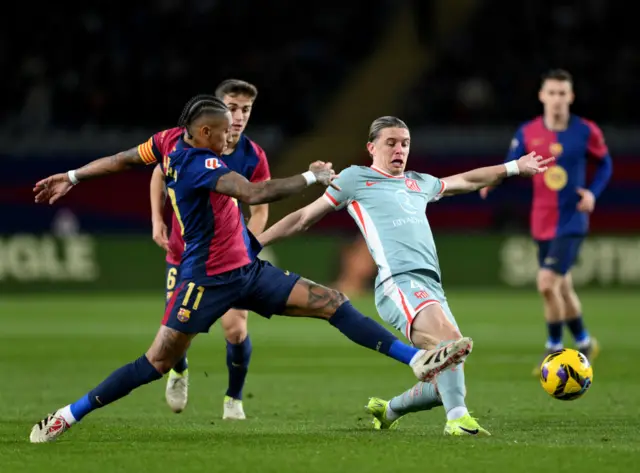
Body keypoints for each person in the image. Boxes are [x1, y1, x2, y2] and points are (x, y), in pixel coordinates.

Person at [30, 98, 471, 443]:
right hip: (204, 283)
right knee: (156, 362)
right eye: (223, 133)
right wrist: (311, 177)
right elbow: (256, 193)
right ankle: (68, 415)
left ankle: (415, 359)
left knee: (332, 302)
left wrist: (72, 175)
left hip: (247, 270)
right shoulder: (199, 164)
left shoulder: (166, 140)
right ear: (203, 132)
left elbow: (125, 159)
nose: (230, 140)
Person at [257, 116, 552, 436]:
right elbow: (303, 217)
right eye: (391, 143)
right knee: (451, 346)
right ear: (371, 147)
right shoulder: (356, 178)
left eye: (405, 143)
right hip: (398, 283)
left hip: (431, 286)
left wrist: (513, 167)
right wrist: (256, 242)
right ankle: (458, 421)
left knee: (448, 374)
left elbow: (466, 181)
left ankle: (389, 409)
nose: (400, 149)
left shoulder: (418, 182)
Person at [149, 80, 269, 418]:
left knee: (236, 328)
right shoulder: (185, 142)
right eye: (232, 107)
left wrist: (245, 243)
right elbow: (159, 173)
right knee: (174, 334)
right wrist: (157, 219)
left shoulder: (253, 155)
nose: (239, 115)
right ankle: (179, 370)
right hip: (183, 254)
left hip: (228, 262)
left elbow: (260, 208)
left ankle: (234, 398)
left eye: (245, 109)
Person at [480, 69, 612, 374]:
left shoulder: (586, 131)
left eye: (562, 93)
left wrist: (592, 193)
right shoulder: (527, 132)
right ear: (542, 96)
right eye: (551, 93)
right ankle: (584, 340)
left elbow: (605, 163)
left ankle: (553, 348)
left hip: (572, 220)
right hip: (541, 221)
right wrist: (490, 183)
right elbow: (509, 165)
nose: (556, 99)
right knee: (562, 287)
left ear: (571, 97)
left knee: (546, 283)